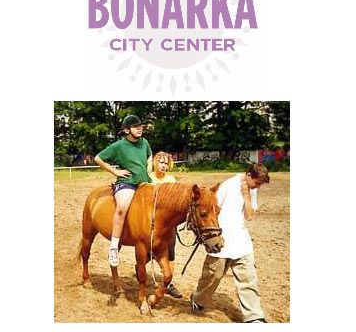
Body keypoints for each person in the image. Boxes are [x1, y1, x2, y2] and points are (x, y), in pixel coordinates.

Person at [190, 163, 270, 323]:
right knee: (212, 277)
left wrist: (247, 195)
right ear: (249, 175)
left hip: (241, 242)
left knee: (248, 279)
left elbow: (249, 215)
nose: (258, 187)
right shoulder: (227, 185)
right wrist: (213, 236)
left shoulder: (252, 189)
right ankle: (198, 300)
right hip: (221, 241)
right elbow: (212, 209)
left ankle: (254, 316)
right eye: (257, 183)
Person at [94, 114, 152, 267]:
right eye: (135, 126)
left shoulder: (144, 142)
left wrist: (148, 170)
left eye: (141, 126)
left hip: (145, 184)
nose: (140, 128)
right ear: (127, 130)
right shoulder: (118, 146)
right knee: (122, 207)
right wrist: (115, 171)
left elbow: (149, 155)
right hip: (127, 183)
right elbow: (98, 158)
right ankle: (113, 247)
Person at [149, 151, 182, 299]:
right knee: (148, 252)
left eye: (166, 163)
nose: (163, 165)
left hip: (168, 224)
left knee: (171, 253)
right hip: (152, 222)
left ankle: (169, 284)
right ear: (155, 162)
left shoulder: (171, 180)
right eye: (161, 162)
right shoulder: (149, 178)